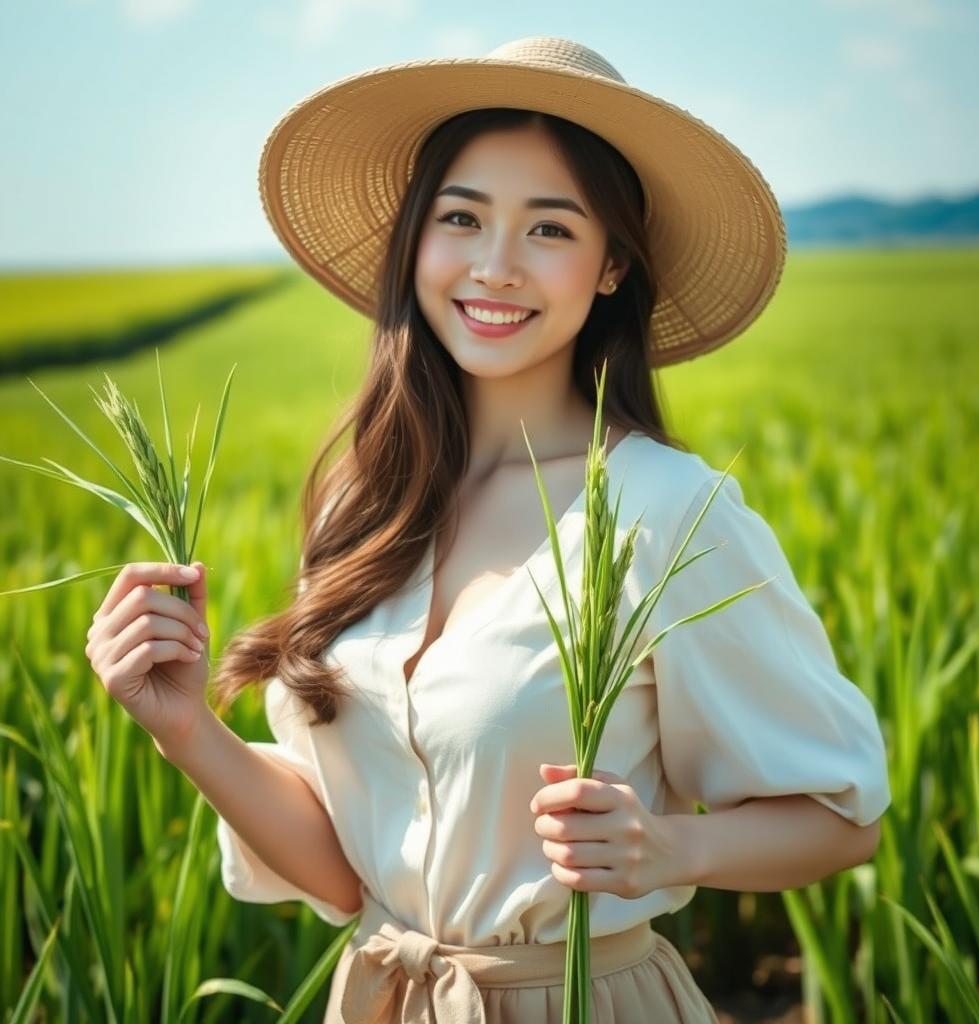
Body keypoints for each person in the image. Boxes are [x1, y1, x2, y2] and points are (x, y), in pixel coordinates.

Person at [85, 36, 892, 1024]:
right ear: (415, 242)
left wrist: (670, 847)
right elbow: (346, 875)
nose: (495, 266)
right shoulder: (364, 503)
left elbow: (842, 817)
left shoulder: (664, 511)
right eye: (460, 217)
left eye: (549, 230)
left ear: (610, 268)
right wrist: (182, 726)